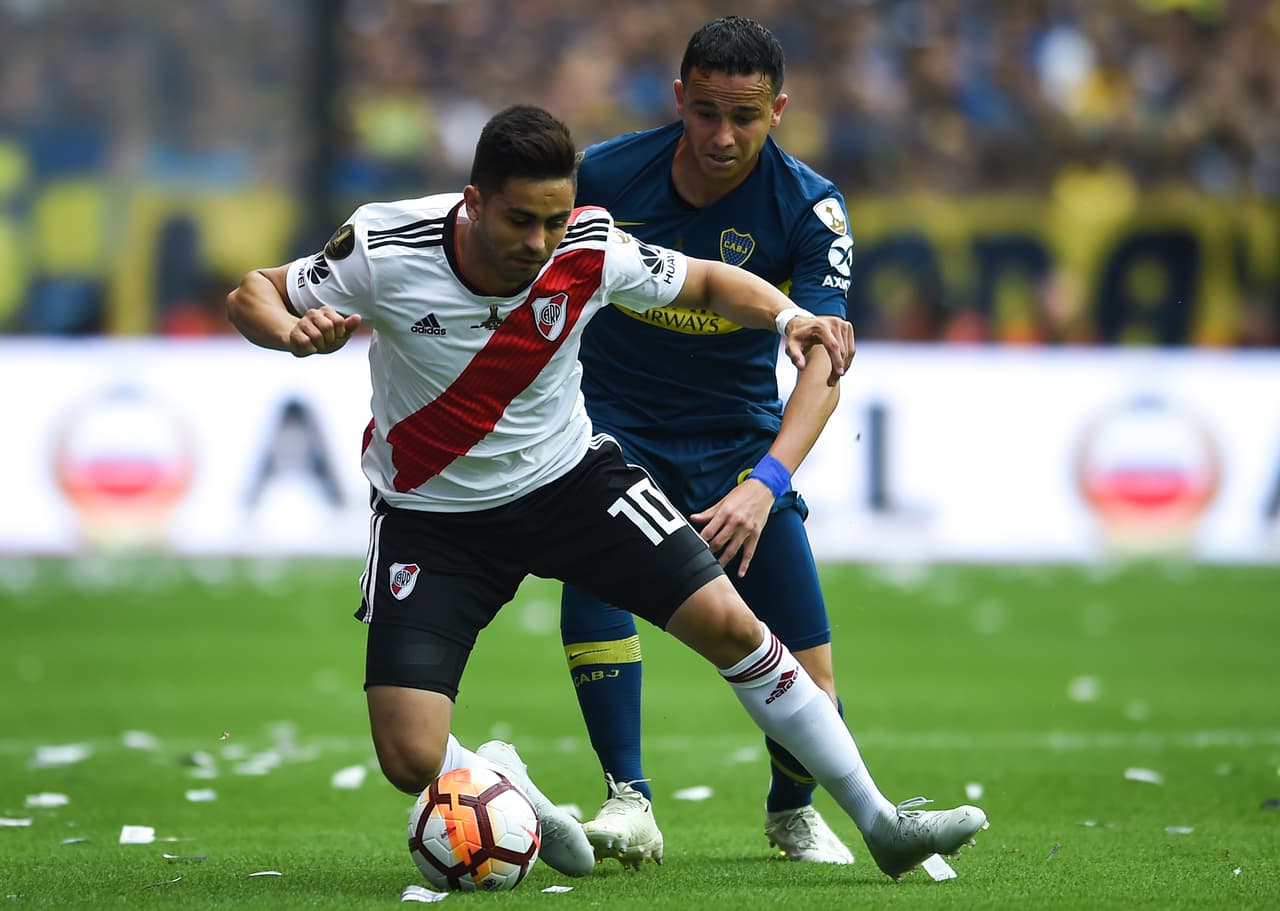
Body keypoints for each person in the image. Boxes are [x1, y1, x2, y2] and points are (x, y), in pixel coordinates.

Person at [226, 103, 983, 883]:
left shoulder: (586, 244)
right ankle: (508, 787)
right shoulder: (384, 244)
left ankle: (882, 821)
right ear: (473, 201)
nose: (538, 244)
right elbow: (255, 290)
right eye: (519, 220)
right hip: (433, 516)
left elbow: (711, 283)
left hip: (569, 483)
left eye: (553, 221)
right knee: (408, 753)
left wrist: (790, 315)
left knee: (732, 623)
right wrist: (290, 332)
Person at [561, 17, 957, 876]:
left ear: (778, 108)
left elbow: (826, 359)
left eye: (744, 116)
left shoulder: (809, 205)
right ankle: (627, 798)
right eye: (704, 112)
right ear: (678, 98)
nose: (721, 136)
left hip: (738, 440)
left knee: (811, 675)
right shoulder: (602, 175)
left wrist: (766, 481)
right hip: (614, 427)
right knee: (594, 571)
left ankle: (791, 811)